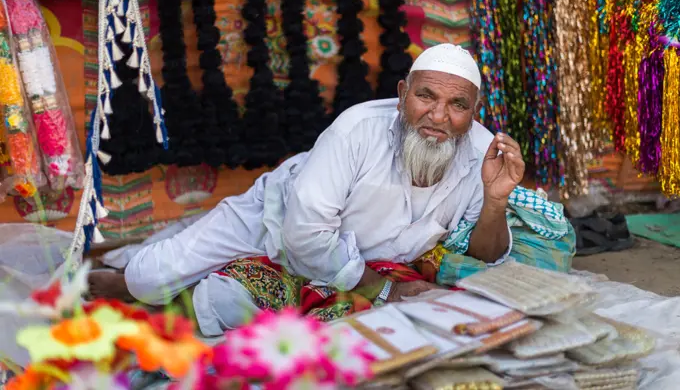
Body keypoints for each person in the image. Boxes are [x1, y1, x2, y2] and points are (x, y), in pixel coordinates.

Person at [89, 43, 526, 336]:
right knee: (149, 280)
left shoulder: (483, 154)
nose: (437, 116)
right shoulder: (356, 130)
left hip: (367, 261)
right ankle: (129, 277)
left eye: (457, 106)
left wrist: (495, 201)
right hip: (273, 219)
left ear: (473, 112)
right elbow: (304, 233)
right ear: (401, 95)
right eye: (425, 97)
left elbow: (483, 254)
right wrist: (387, 290)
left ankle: (197, 277)